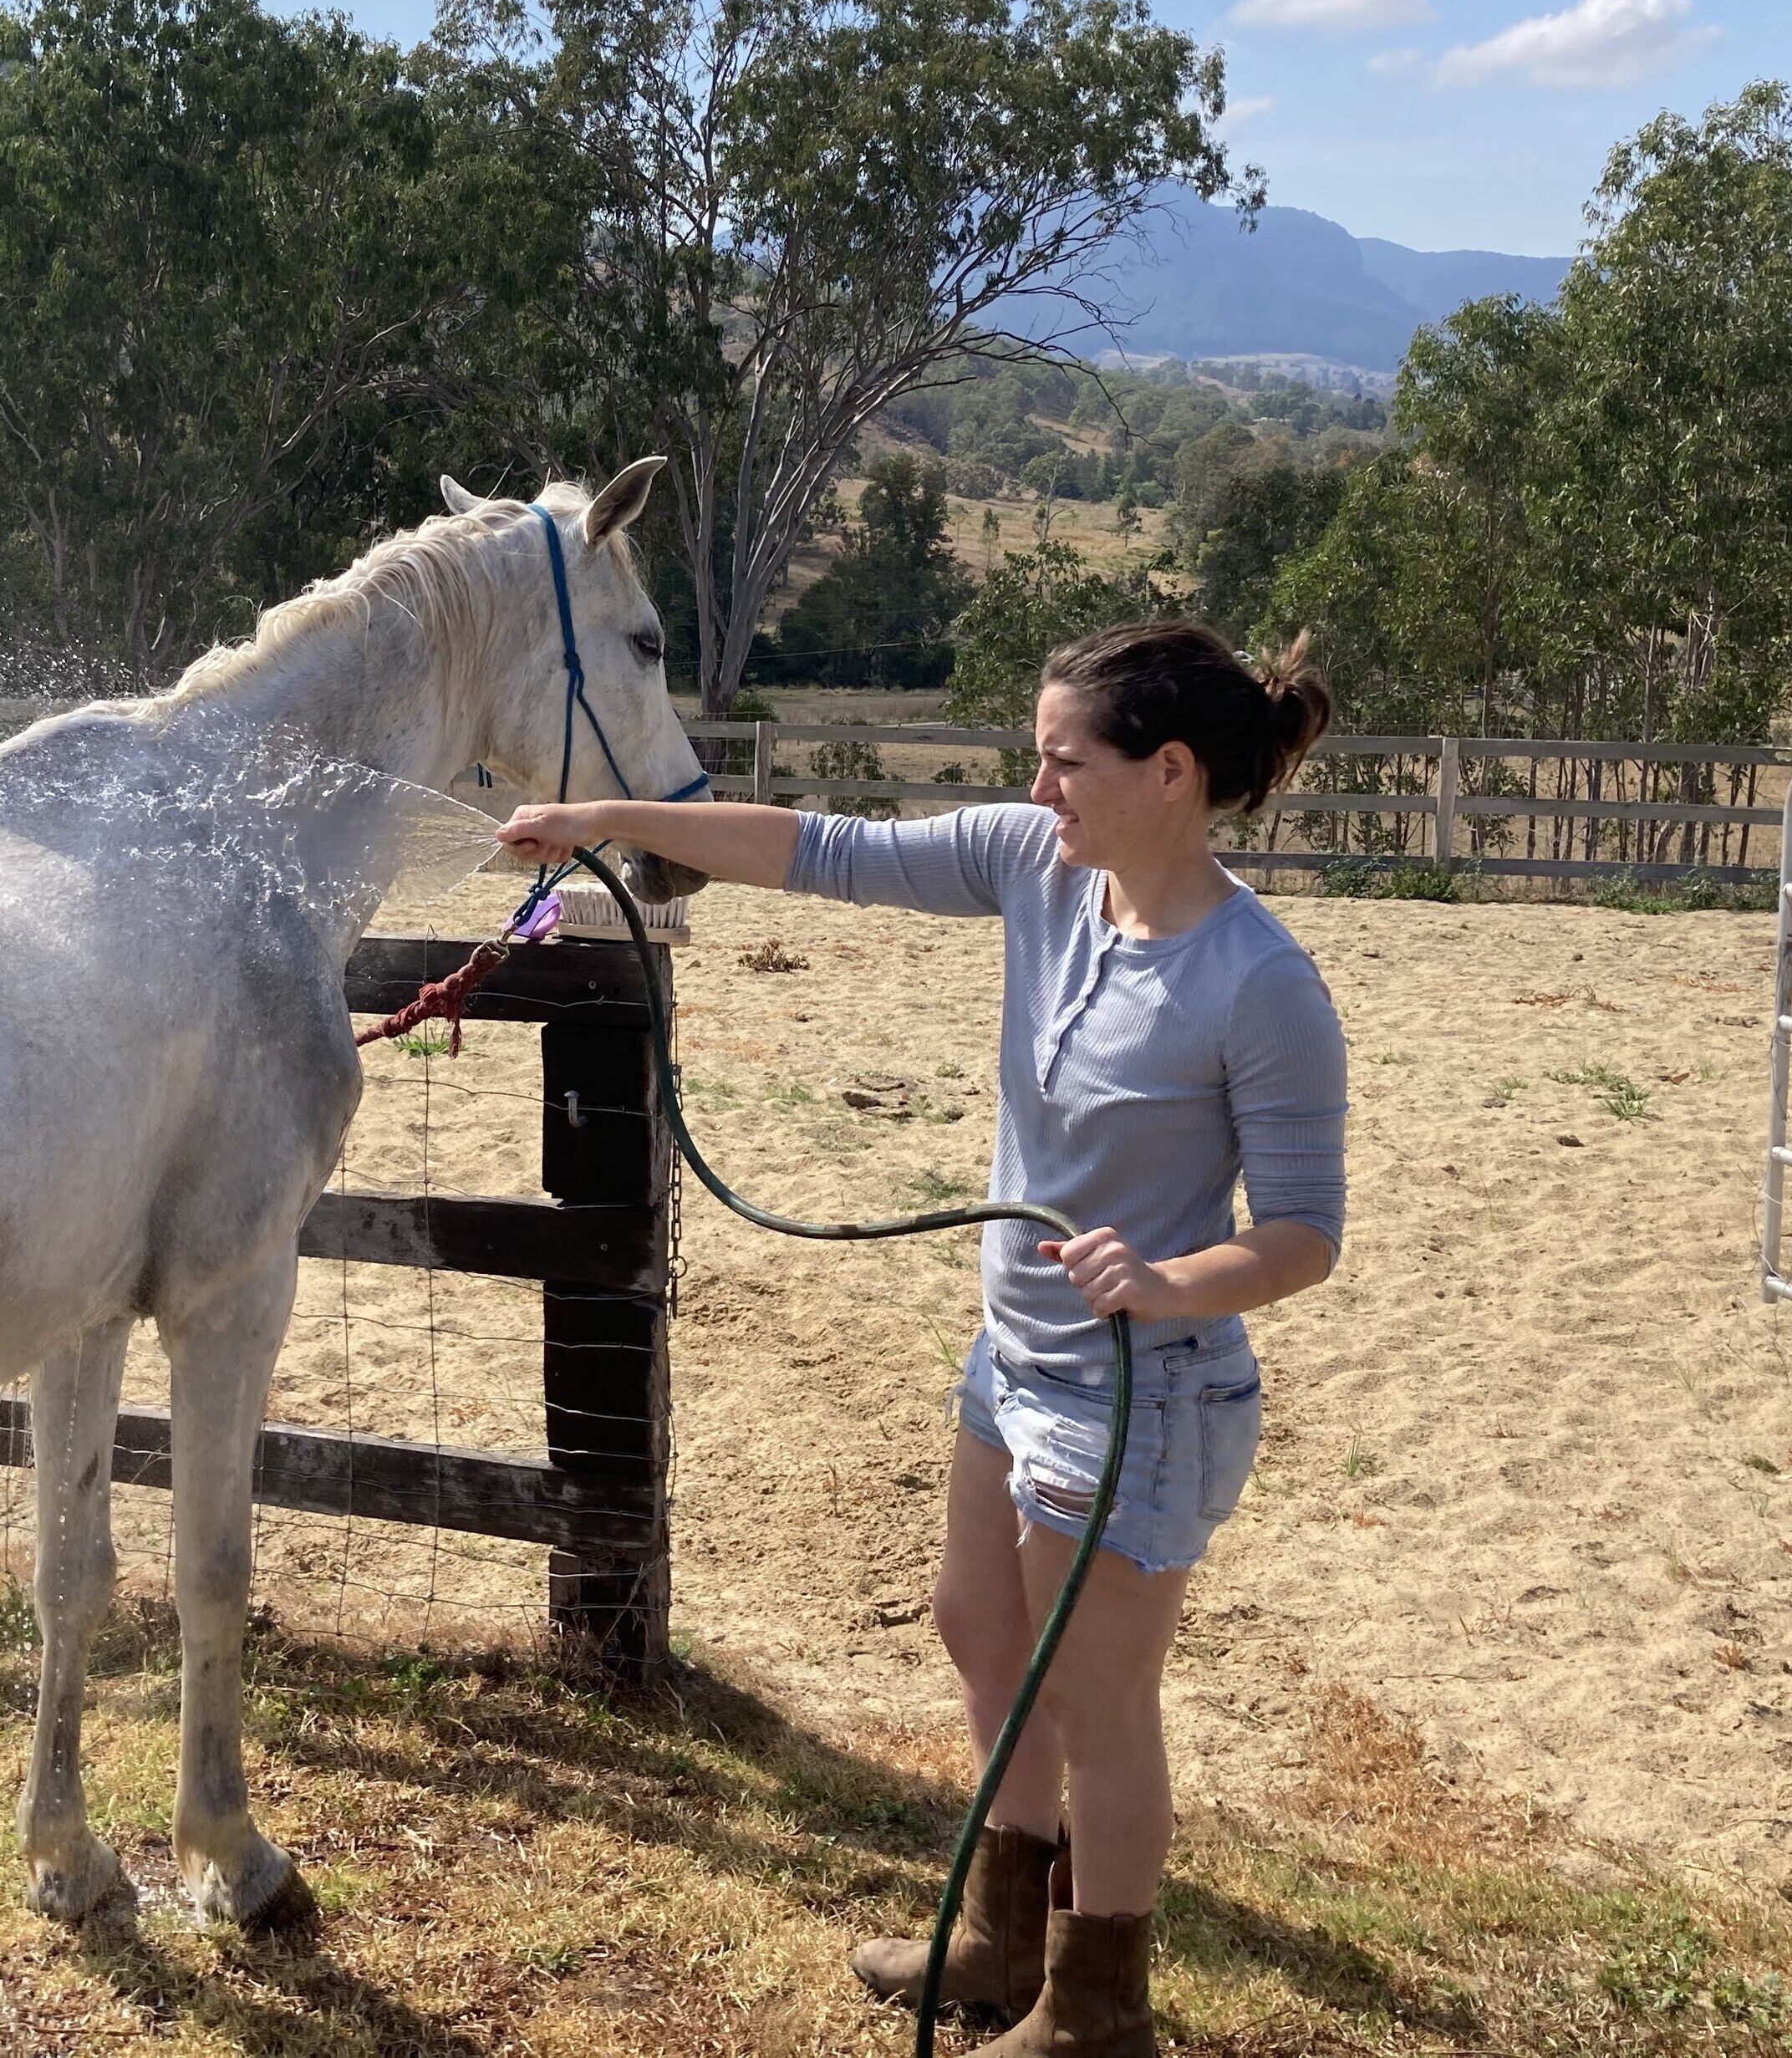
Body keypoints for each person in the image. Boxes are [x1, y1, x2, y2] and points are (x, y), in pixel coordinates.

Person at [496, 619, 1347, 2058]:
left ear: (1172, 774)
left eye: (1066, 762)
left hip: (1141, 1394)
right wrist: (605, 820)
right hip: (1014, 1357)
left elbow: (1306, 1235)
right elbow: (821, 848)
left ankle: (1099, 2009)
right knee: (979, 1629)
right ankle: (1003, 1936)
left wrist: (1169, 1278)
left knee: (1099, 1700)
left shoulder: (1259, 985)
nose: (1039, 787)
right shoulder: (1038, 866)